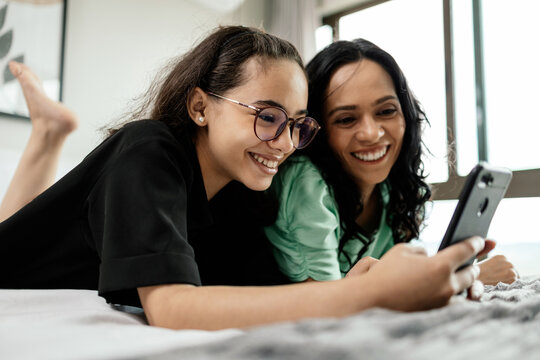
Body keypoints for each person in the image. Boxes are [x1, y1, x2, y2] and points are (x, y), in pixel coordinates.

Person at [0, 26, 489, 331]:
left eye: (297, 124)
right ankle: (48, 134)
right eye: (267, 116)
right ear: (199, 107)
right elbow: (171, 308)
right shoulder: (148, 150)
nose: (283, 142)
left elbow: (260, 295)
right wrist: (366, 295)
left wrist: (356, 280)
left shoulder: (242, 197)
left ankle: (47, 133)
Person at [264, 38, 518, 286]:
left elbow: (393, 280)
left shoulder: (390, 190)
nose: (371, 133)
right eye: (346, 119)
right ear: (317, 130)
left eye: (386, 111)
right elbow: (327, 306)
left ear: (405, 115)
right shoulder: (307, 183)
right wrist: (470, 276)